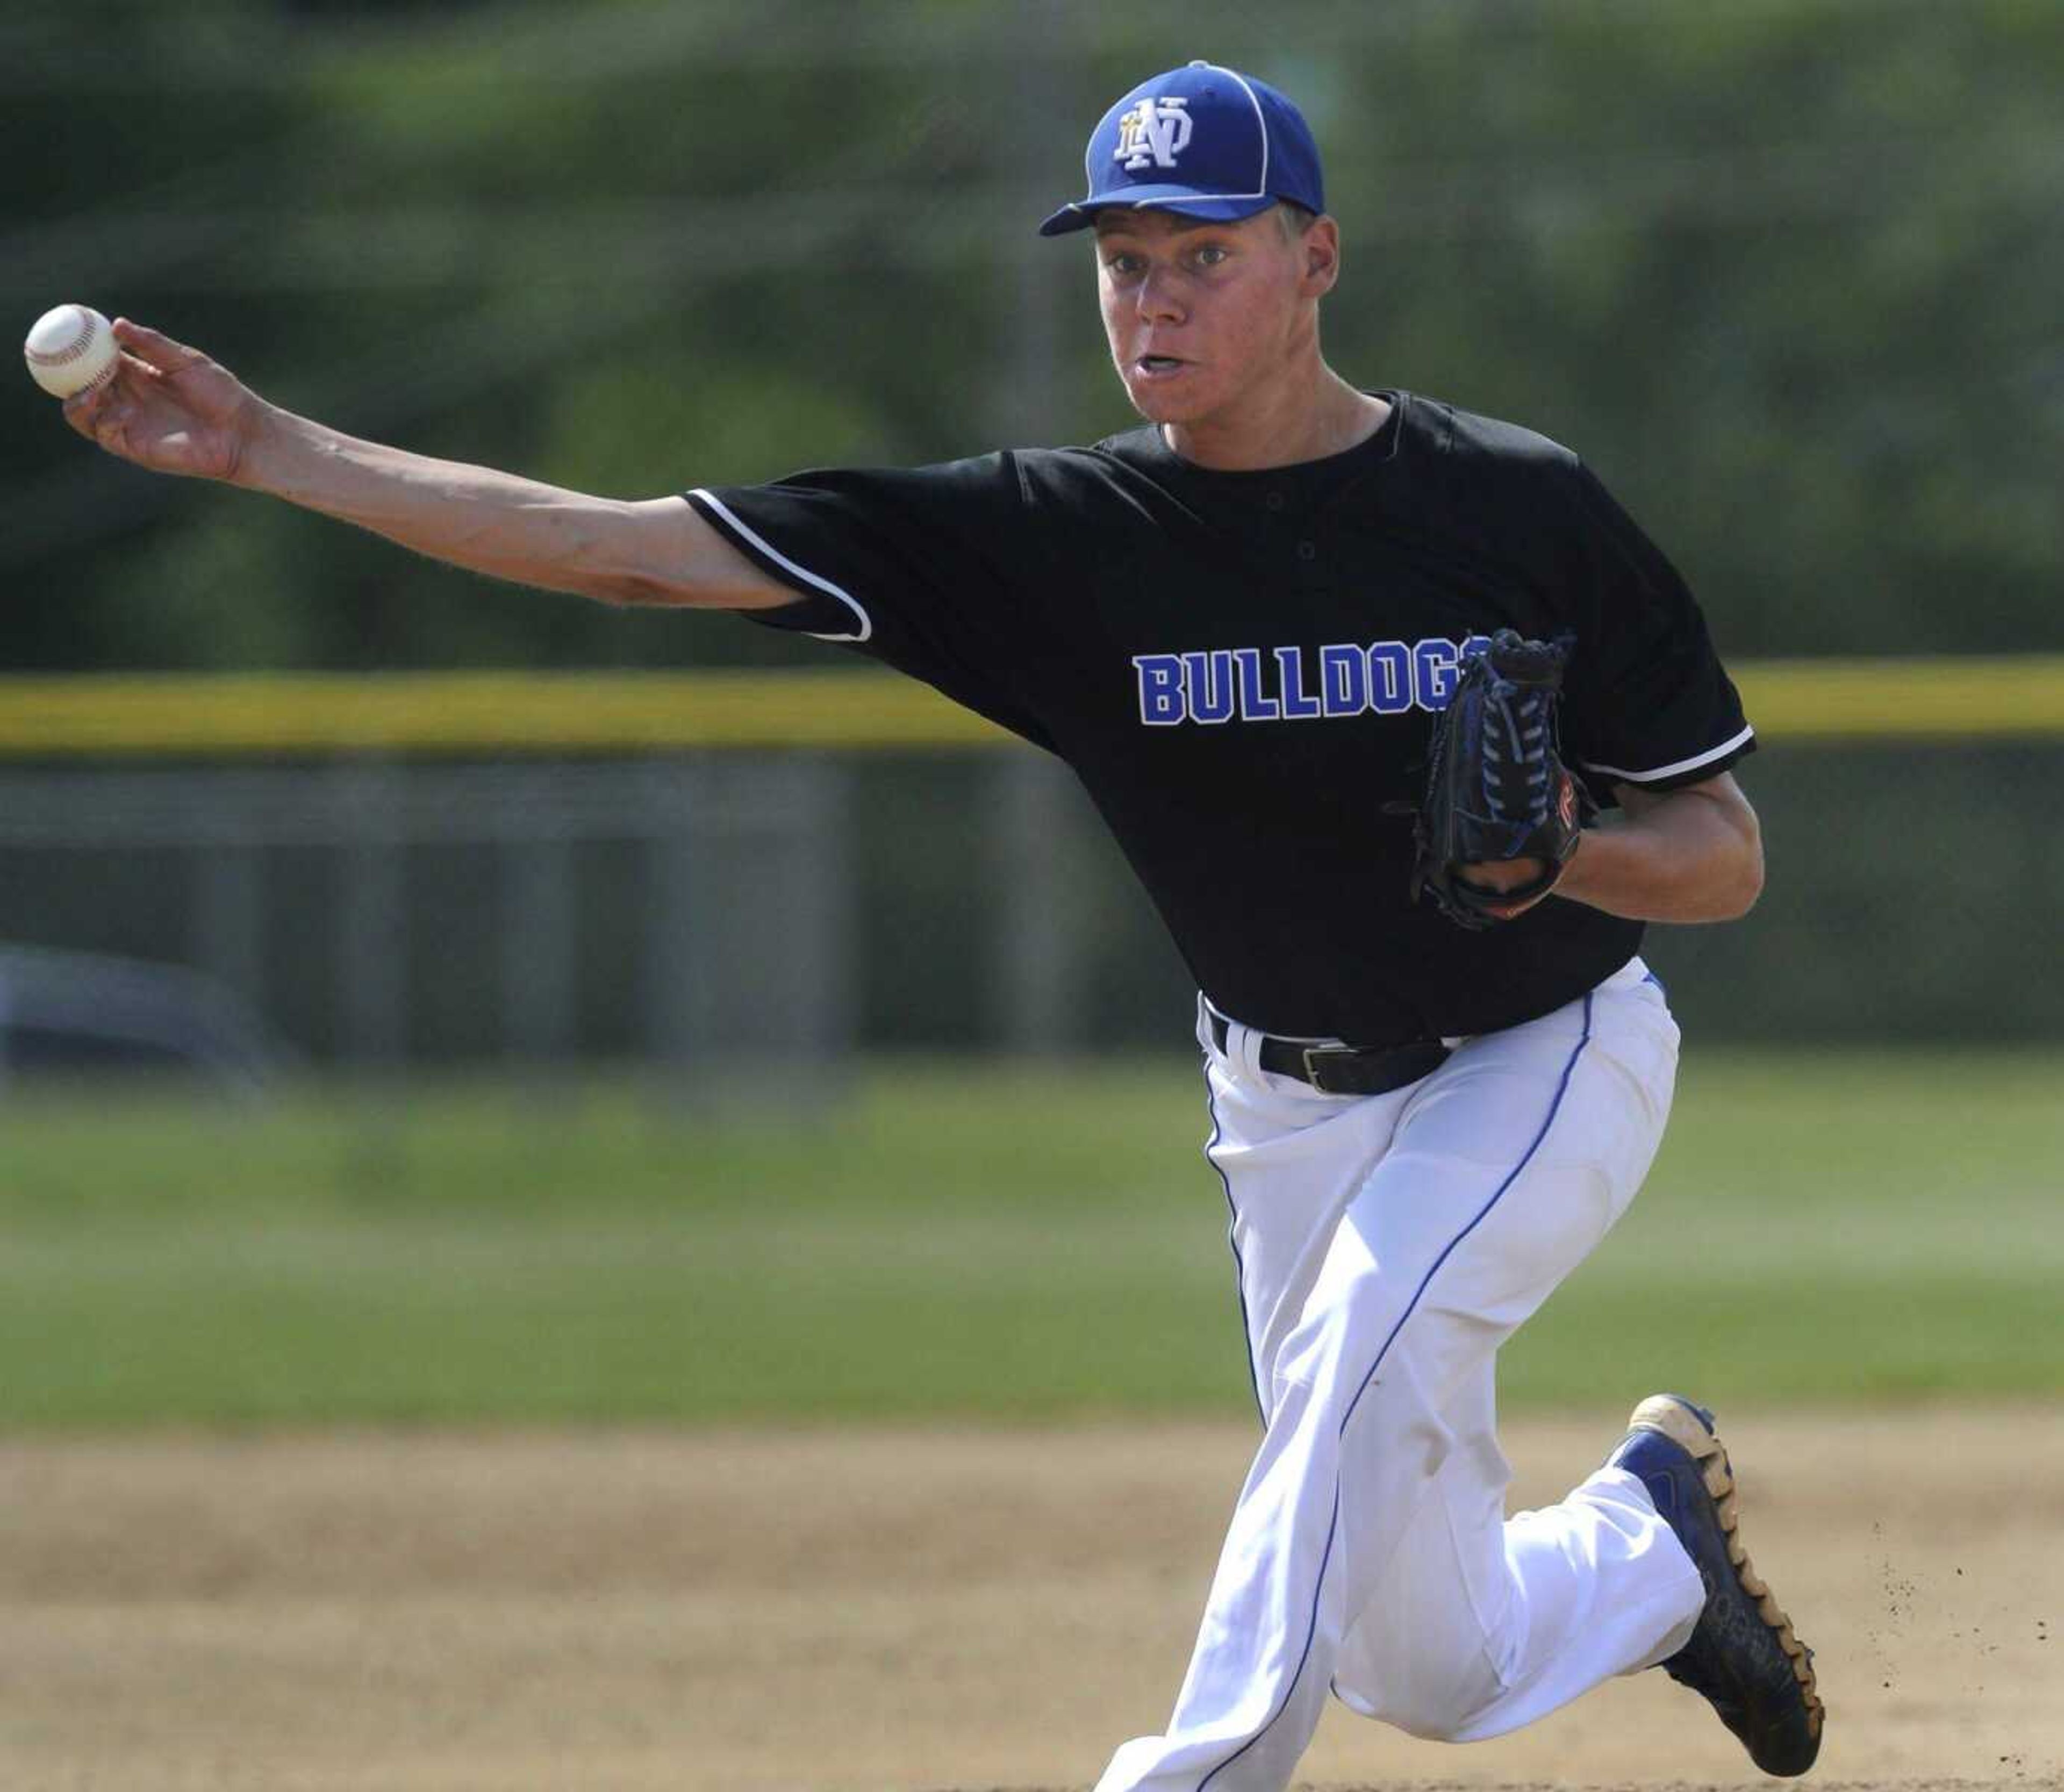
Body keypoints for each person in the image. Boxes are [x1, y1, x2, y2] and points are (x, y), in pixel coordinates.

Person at [62, 59, 1822, 1792]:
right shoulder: (1058, 540)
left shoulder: (1514, 506)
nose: (1156, 297)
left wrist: (1565, 846)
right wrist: (275, 449)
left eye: (1205, 252)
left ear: (1318, 259)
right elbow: (627, 551)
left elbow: (1722, 854)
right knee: (1422, 1660)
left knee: (1359, 1363)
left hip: (1544, 1050)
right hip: (1289, 1112)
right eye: (1124, 259)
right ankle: (1652, 1554)